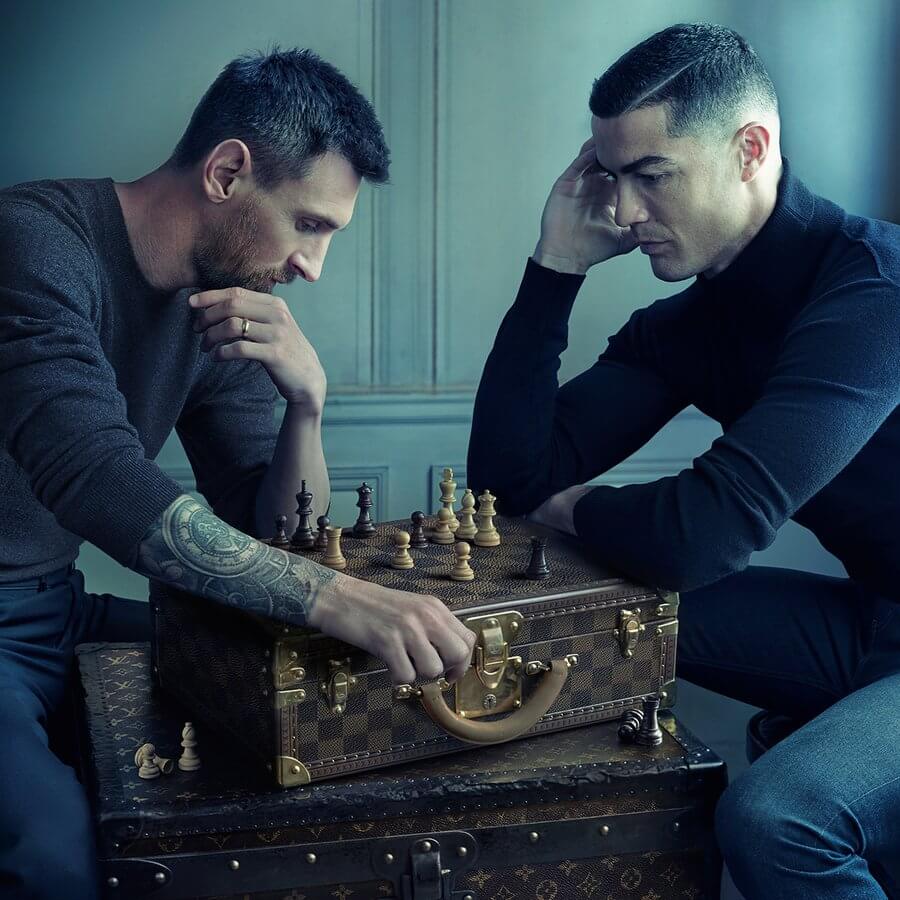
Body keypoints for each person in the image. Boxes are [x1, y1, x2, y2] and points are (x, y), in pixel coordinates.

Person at [0, 48, 474, 899]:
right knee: (54, 862)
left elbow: (276, 532)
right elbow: (93, 476)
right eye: (310, 225)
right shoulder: (30, 246)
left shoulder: (217, 303)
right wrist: (335, 598)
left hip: (55, 610)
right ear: (226, 172)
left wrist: (307, 407)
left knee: (313, 689)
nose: (312, 267)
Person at [468, 23, 900, 900]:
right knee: (584, 616)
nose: (623, 213)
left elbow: (705, 534)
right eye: (609, 178)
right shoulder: (689, 326)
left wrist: (575, 507)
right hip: (874, 619)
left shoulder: (875, 292)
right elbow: (509, 481)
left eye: (652, 176)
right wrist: (554, 266)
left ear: (750, 149)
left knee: (776, 819)